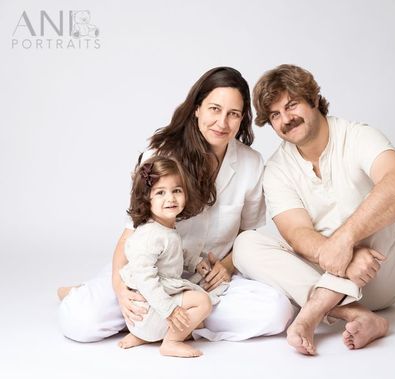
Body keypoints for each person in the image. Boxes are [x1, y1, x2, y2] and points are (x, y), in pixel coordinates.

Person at [57, 67, 294, 343]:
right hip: (151, 275)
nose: (222, 122)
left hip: (205, 281)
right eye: (214, 109)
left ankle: (163, 326)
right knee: (80, 321)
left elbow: (248, 237)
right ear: (196, 109)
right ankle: (96, 296)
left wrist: (227, 266)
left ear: (242, 119)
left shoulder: (251, 163)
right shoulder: (162, 154)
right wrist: (120, 288)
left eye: (234, 114)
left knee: (277, 312)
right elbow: (132, 230)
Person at [233, 64, 395, 355]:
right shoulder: (277, 168)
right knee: (244, 245)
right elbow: (297, 232)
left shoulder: (358, 136)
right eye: (275, 115)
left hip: (381, 273)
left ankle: (312, 313)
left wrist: (346, 241)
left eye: (291, 105)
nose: (286, 119)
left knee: (386, 203)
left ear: (313, 99)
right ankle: (357, 315)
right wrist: (341, 257)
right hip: (335, 272)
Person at [119, 156, 217, 357]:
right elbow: (145, 279)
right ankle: (170, 342)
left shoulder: (164, 228)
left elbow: (173, 254)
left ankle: (144, 337)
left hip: (143, 319)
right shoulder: (150, 236)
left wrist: (195, 262)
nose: (171, 198)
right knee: (203, 303)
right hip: (144, 312)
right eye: (160, 192)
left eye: (177, 191)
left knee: (198, 313)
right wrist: (169, 310)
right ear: (147, 198)